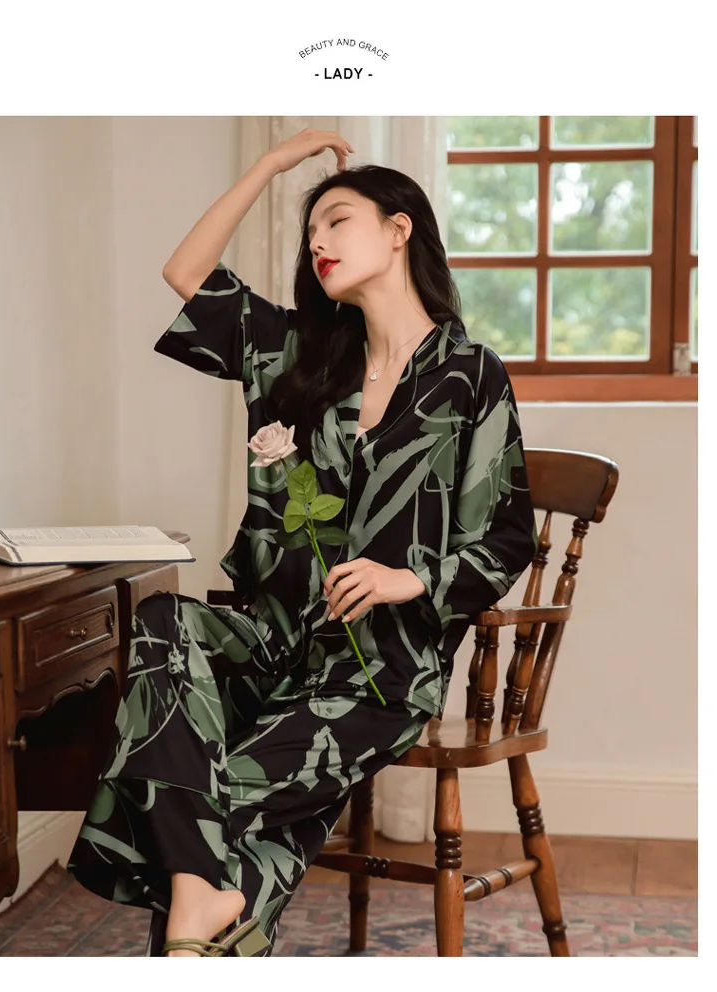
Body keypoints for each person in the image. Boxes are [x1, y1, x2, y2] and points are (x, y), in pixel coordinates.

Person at [66, 128, 539, 957]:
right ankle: (203, 906)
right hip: (271, 639)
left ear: (399, 229)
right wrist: (270, 165)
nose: (317, 241)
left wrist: (407, 579)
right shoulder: (297, 353)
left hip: (379, 669)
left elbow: (506, 537)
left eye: (337, 221)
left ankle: (191, 918)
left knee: (196, 798)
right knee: (165, 619)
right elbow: (185, 273)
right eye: (309, 230)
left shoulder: (470, 374)